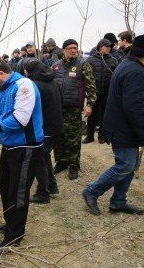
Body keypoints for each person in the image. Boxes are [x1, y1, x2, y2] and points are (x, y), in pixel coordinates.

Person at [83, 35, 144, 216]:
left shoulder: (128, 65)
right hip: (124, 128)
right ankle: (92, 191)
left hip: (124, 127)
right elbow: (134, 106)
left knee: (129, 165)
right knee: (125, 165)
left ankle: (118, 201)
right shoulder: (135, 72)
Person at [0, 58, 43, 247]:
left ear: (1, 74)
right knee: (5, 187)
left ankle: (15, 235)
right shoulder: (0, 93)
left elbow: (21, 118)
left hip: (26, 146)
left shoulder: (24, 86)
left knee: (18, 192)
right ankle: (9, 223)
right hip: (10, 146)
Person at [52, 39, 97, 180]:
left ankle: (73, 164)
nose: (73, 50)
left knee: (73, 137)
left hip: (74, 107)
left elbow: (91, 87)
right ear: (64, 49)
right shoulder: (55, 66)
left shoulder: (83, 64)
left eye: (75, 48)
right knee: (58, 135)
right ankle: (61, 161)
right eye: (70, 48)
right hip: (58, 107)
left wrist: (90, 104)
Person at [22, 59, 63, 203]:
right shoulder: (53, 81)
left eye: (25, 71)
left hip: (45, 128)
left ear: (28, 71)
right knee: (44, 158)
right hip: (56, 126)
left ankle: (43, 193)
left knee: (38, 160)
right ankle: (51, 186)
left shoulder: (35, 85)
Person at [83, 39, 118, 144]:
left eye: (110, 46)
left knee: (104, 115)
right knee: (91, 115)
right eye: (106, 46)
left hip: (107, 92)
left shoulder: (113, 60)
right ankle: (89, 136)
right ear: (100, 47)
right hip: (93, 93)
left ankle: (101, 136)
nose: (109, 48)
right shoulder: (90, 60)